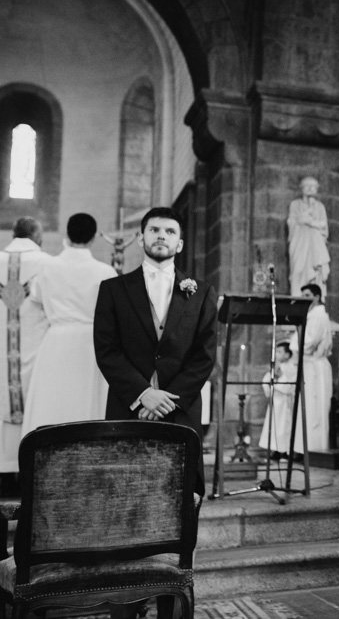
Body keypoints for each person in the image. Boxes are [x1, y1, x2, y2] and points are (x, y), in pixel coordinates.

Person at [93, 207, 217, 496]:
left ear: (180, 244)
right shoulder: (113, 288)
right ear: (141, 238)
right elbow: (106, 349)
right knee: (124, 489)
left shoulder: (201, 292)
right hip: (128, 406)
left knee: (178, 493)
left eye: (170, 231)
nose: (162, 236)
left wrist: (168, 400)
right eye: (155, 230)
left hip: (180, 409)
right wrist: (143, 394)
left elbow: (205, 354)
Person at [22, 213, 117, 437]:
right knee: (85, 403)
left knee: (53, 399)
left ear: (67, 234)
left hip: (56, 340)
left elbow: (34, 299)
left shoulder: (47, 268)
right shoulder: (105, 272)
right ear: (94, 238)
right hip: (90, 343)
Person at [0, 217, 51, 495]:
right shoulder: (48, 264)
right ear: (38, 235)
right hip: (37, 353)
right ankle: (27, 482)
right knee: (34, 410)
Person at [290, 282, 333, 453]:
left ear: (316, 297)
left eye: (307, 296)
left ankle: (315, 449)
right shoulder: (309, 315)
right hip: (307, 365)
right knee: (305, 408)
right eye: (302, 296)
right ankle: (303, 449)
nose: (303, 299)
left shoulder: (319, 315)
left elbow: (308, 343)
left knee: (316, 410)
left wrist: (295, 343)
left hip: (315, 366)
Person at [287, 176, 330, 296]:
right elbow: (292, 222)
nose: (310, 189)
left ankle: (315, 296)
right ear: (301, 188)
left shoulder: (320, 206)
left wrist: (308, 222)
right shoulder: (295, 204)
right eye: (307, 186)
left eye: (313, 187)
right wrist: (306, 215)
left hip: (315, 245)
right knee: (298, 270)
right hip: (299, 243)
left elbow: (323, 225)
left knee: (316, 272)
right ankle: (296, 296)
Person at [258, 341, 297, 461]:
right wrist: (271, 382)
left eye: (280, 351)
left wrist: (277, 382)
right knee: (273, 425)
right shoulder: (276, 367)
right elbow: (266, 380)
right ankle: (274, 450)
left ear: (287, 354)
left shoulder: (291, 367)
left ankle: (284, 452)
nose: (277, 354)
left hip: (285, 402)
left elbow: (290, 384)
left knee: (283, 426)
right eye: (276, 351)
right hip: (275, 401)